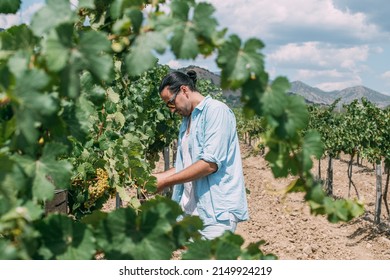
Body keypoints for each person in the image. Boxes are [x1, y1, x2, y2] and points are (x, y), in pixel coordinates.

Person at [154, 70, 248, 240]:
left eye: (171, 103)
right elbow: (188, 165)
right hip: (190, 212)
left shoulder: (216, 111)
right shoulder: (187, 120)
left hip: (214, 214)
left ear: (184, 90)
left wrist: (165, 182)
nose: (172, 110)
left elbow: (209, 164)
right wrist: (157, 178)